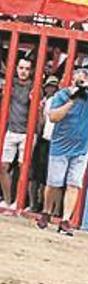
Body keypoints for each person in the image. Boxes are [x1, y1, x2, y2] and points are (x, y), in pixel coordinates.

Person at [37, 68, 88, 235]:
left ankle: (66, 220)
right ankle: (46, 211)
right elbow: (53, 117)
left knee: (74, 184)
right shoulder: (61, 95)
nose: (78, 84)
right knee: (54, 184)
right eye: (76, 81)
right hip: (60, 147)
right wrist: (72, 100)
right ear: (71, 80)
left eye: (81, 81)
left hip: (80, 149)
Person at [1, 57, 34, 210]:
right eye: (21, 68)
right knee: (3, 166)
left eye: (27, 69)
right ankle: (8, 201)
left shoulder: (34, 87)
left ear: (31, 71)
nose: (23, 71)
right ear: (16, 68)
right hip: (11, 130)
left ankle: (19, 202)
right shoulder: (10, 84)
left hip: (27, 132)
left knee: (23, 167)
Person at [28, 76, 60, 213]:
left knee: (52, 177)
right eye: (49, 86)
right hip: (44, 140)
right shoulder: (45, 102)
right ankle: (34, 204)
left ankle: (52, 209)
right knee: (36, 175)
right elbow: (41, 125)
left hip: (55, 142)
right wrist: (39, 110)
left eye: (54, 87)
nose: (51, 89)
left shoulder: (58, 101)